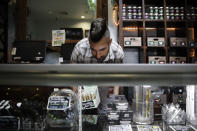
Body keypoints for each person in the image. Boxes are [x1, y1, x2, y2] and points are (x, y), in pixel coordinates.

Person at [70, 18, 124, 103]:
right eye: (93, 50)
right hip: (85, 93)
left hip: (106, 91)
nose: (98, 55)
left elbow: (117, 80)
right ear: (89, 41)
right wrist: (77, 95)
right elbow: (72, 75)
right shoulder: (79, 49)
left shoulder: (117, 52)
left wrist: (114, 99)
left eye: (102, 49)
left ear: (109, 42)